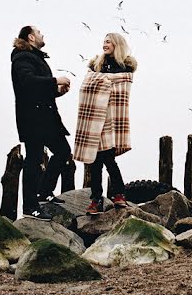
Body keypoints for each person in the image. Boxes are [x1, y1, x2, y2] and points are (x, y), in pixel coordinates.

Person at [11, 25, 72, 221]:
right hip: (32, 118)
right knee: (33, 160)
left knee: (63, 152)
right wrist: (55, 80)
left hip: (47, 118)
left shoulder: (36, 58)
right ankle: (30, 206)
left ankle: (44, 191)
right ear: (30, 37)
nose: (42, 34)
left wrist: (57, 92)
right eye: (38, 32)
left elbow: (40, 88)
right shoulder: (21, 58)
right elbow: (28, 82)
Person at [74, 32, 137, 215]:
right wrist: (102, 81)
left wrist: (104, 81)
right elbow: (88, 86)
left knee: (107, 159)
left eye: (108, 41)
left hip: (112, 118)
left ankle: (101, 199)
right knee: (97, 161)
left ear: (117, 44)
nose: (104, 44)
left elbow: (120, 90)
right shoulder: (97, 66)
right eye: (104, 41)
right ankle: (109, 197)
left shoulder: (124, 67)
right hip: (96, 119)